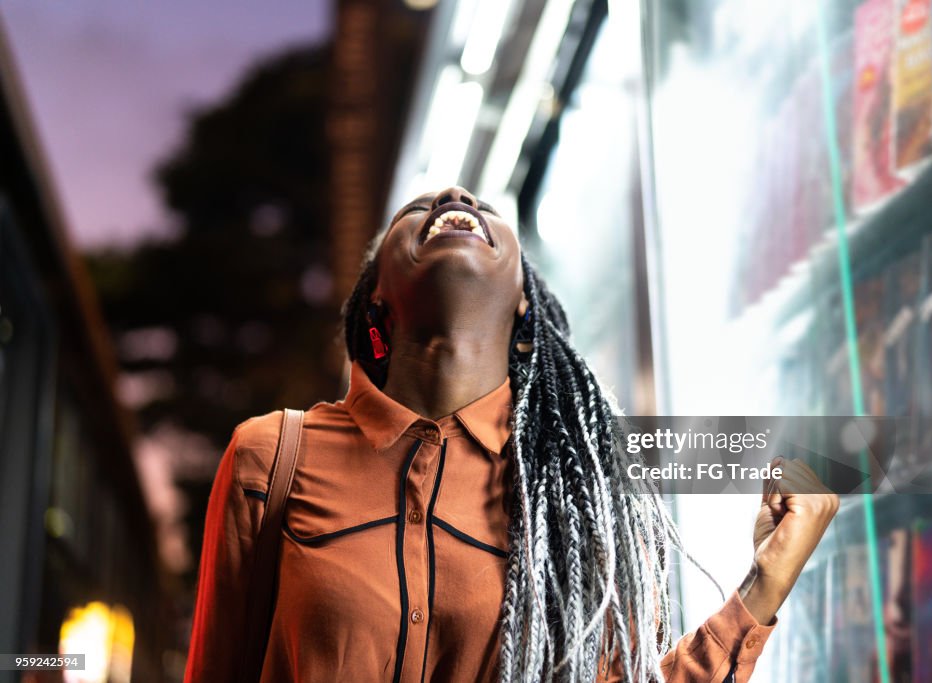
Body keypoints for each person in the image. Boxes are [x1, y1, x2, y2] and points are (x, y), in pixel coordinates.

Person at [184, 186, 839, 682]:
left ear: (527, 302)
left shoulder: (583, 500)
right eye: (414, 209)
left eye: (481, 205)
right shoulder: (272, 459)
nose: (454, 196)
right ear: (376, 299)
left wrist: (763, 586)